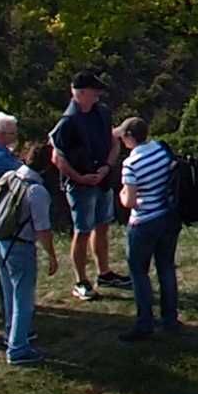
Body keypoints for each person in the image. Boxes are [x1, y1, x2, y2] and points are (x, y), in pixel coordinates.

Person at [0, 113, 47, 367]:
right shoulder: (0, 160)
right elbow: (41, 226)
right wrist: (50, 253)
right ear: (1, 134)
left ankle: (12, 333)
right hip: (15, 234)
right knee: (22, 296)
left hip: (1, 234)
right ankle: (19, 347)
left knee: (8, 289)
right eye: (12, 133)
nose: (15, 137)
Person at [49, 71, 122, 302]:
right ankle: (80, 280)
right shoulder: (67, 122)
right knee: (82, 230)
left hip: (102, 181)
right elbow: (57, 158)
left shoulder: (102, 112)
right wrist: (79, 178)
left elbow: (113, 142)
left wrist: (107, 167)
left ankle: (105, 272)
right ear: (79, 93)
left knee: (102, 226)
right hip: (80, 186)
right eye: (93, 91)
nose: (98, 95)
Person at [115, 114, 180, 342]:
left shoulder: (130, 164)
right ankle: (170, 318)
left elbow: (129, 201)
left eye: (123, 137)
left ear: (131, 138)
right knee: (166, 268)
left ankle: (145, 323)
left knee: (138, 271)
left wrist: (122, 194)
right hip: (167, 216)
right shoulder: (161, 151)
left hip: (144, 222)